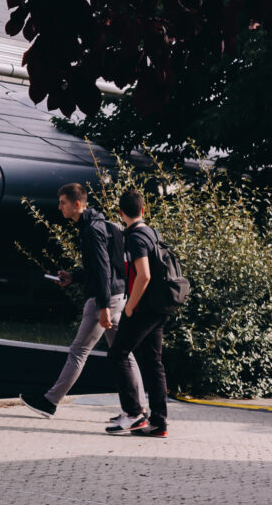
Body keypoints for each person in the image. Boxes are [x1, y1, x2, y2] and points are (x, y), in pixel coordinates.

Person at [24, 183, 145, 418]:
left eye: (63, 203)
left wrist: (102, 307)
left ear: (77, 204)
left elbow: (102, 270)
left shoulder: (91, 230)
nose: (59, 207)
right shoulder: (108, 225)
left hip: (105, 298)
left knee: (79, 350)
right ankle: (138, 409)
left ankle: (50, 401)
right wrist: (73, 276)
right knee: (123, 352)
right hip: (119, 295)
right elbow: (105, 265)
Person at [106, 189, 171, 438]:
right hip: (159, 307)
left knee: (118, 355)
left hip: (143, 308)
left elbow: (144, 275)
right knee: (154, 363)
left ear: (121, 213)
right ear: (143, 210)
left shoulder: (135, 238)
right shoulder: (152, 232)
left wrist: (130, 306)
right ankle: (159, 423)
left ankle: (134, 414)